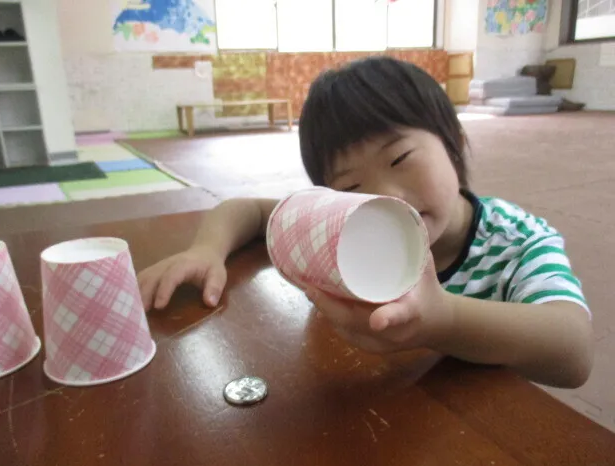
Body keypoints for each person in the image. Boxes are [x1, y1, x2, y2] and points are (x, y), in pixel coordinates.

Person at [137, 56, 593, 388]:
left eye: (400, 158)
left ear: (453, 139)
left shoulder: (517, 243)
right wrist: (206, 250)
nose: (386, 197)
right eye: (351, 189)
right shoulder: (348, 227)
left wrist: (445, 321)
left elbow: (573, 352)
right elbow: (253, 211)